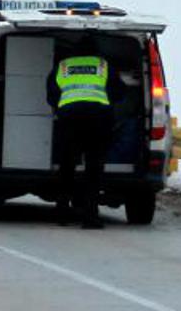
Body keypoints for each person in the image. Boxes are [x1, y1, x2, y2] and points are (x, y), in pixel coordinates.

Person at [47, 36, 124, 229]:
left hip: (69, 120)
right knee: (94, 169)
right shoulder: (102, 65)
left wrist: (62, 108)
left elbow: (51, 93)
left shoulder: (63, 65)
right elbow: (119, 91)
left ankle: (62, 213)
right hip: (98, 120)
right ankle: (90, 217)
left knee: (67, 167)